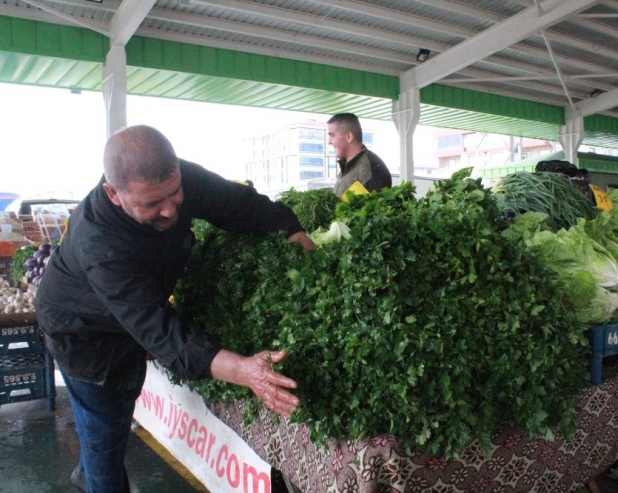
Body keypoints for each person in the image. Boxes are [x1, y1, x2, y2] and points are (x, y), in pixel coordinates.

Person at [35, 125, 315, 493]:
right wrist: (246, 371)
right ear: (113, 195)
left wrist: (291, 231)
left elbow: (239, 205)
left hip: (126, 318)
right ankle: (97, 478)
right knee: (105, 427)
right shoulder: (100, 243)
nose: (170, 210)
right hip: (81, 333)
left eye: (175, 194)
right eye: (151, 204)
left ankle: (88, 471)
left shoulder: (174, 179)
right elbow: (161, 331)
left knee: (118, 409)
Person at [327, 112, 392, 198]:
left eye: (332, 135)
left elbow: (376, 209)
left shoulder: (371, 169)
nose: (329, 142)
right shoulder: (347, 165)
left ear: (349, 136)